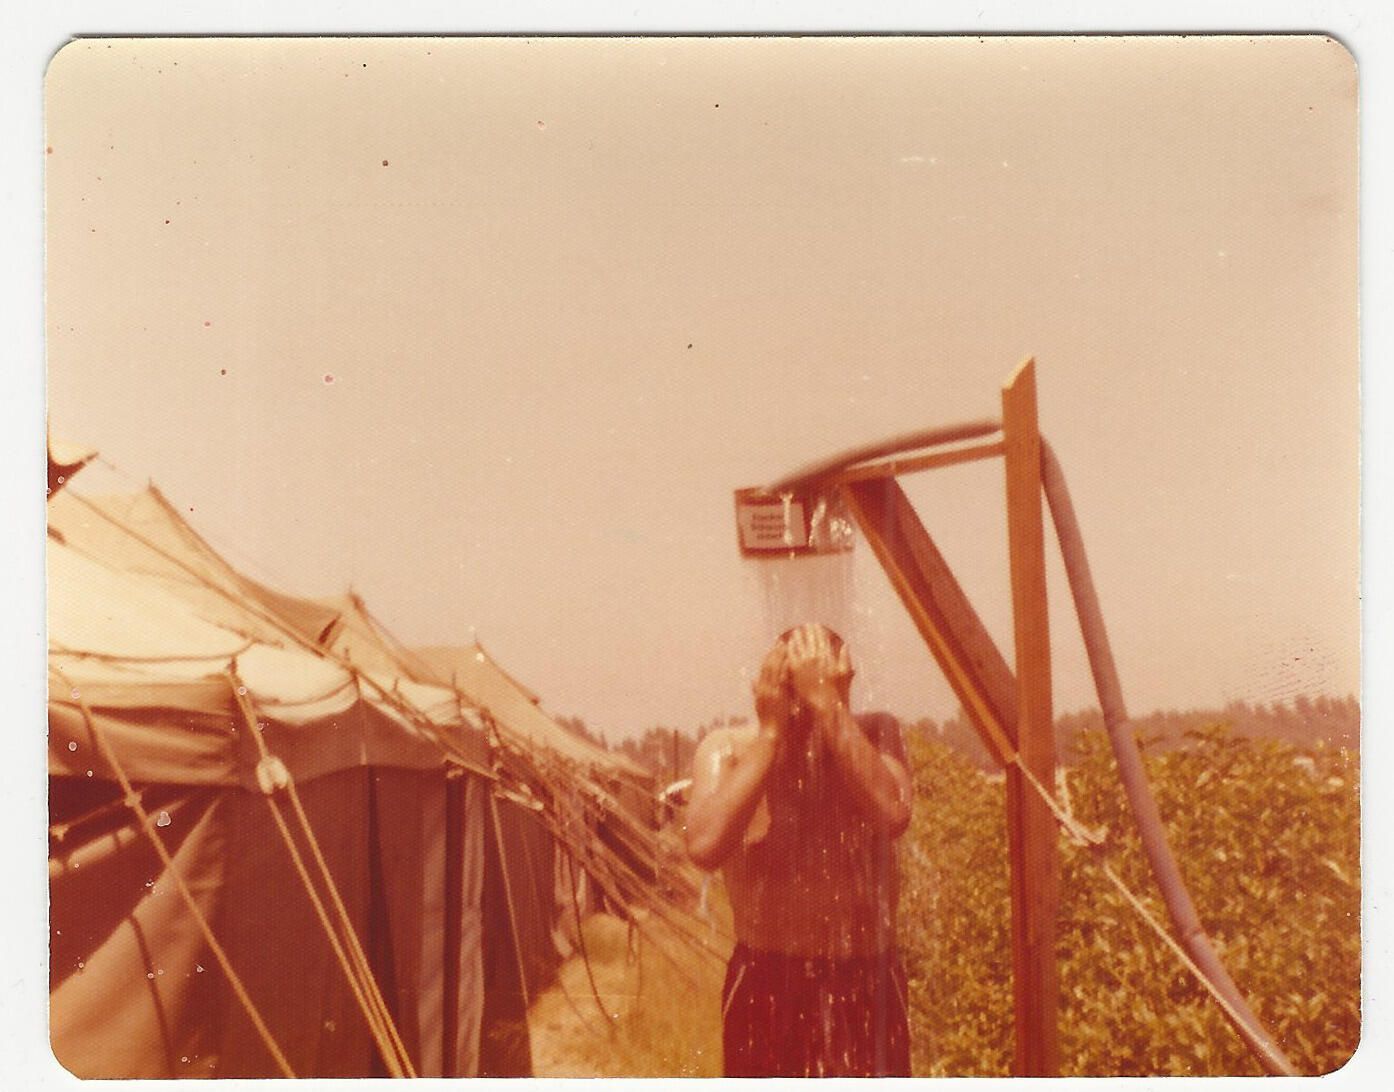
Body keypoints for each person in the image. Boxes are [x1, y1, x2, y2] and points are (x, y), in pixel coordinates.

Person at [685, 623, 913, 1076]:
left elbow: (892, 813)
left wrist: (829, 707)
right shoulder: (730, 749)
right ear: (772, 686)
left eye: (821, 686)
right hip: (768, 979)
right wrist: (771, 734)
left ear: (845, 682)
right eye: (799, 689)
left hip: (864, 974)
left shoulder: (876, 734)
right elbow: (705, 846)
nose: (807, 707)